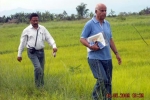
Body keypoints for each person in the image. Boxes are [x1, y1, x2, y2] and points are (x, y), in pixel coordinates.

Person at [80, 3, 121, 100]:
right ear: (96, 11)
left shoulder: (107, 24)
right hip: (95, 58)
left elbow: (110, 39)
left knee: (108, 82)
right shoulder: (90, 24)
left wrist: (116, 53)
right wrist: (91, 46)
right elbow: (82, 39)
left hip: (107, 57)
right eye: (102, 10)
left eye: (105, 10)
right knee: (102, 79)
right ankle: (95, 98)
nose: (104, 12)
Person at [17, 13, 57, 87]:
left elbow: (49, 38)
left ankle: (42, 85)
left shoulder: (42, 28)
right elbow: (22, 43)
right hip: (32, 52)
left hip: (41, 51)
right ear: (30, 21)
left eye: (37, 20)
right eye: (33, 21)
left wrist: (54, 46)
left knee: (41, 69)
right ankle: (38, 86)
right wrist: (19, 55)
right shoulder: (26, 30)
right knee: (38, 68)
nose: (35, 22)